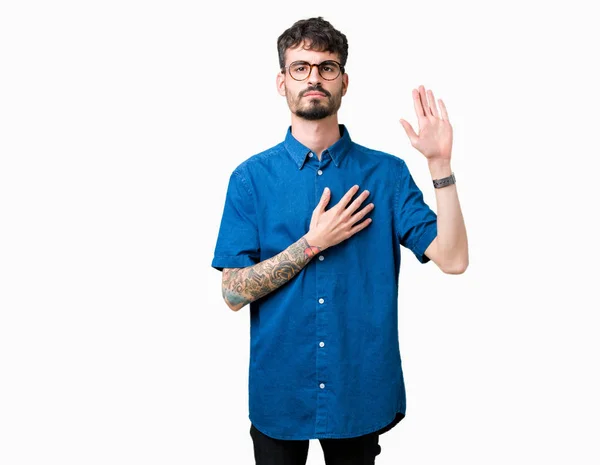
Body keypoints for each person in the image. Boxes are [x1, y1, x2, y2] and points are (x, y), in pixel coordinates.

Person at [211, 16, 468, 465]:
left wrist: (440, 165)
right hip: (280, 391)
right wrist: (312, 243)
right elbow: (232, 292)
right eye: (301, 67)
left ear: (344, 82)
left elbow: (453, 258)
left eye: (327, 67)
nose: (314, 77)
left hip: (360, 389)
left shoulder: (385, 175)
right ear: (281, 81)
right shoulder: (250, 179)